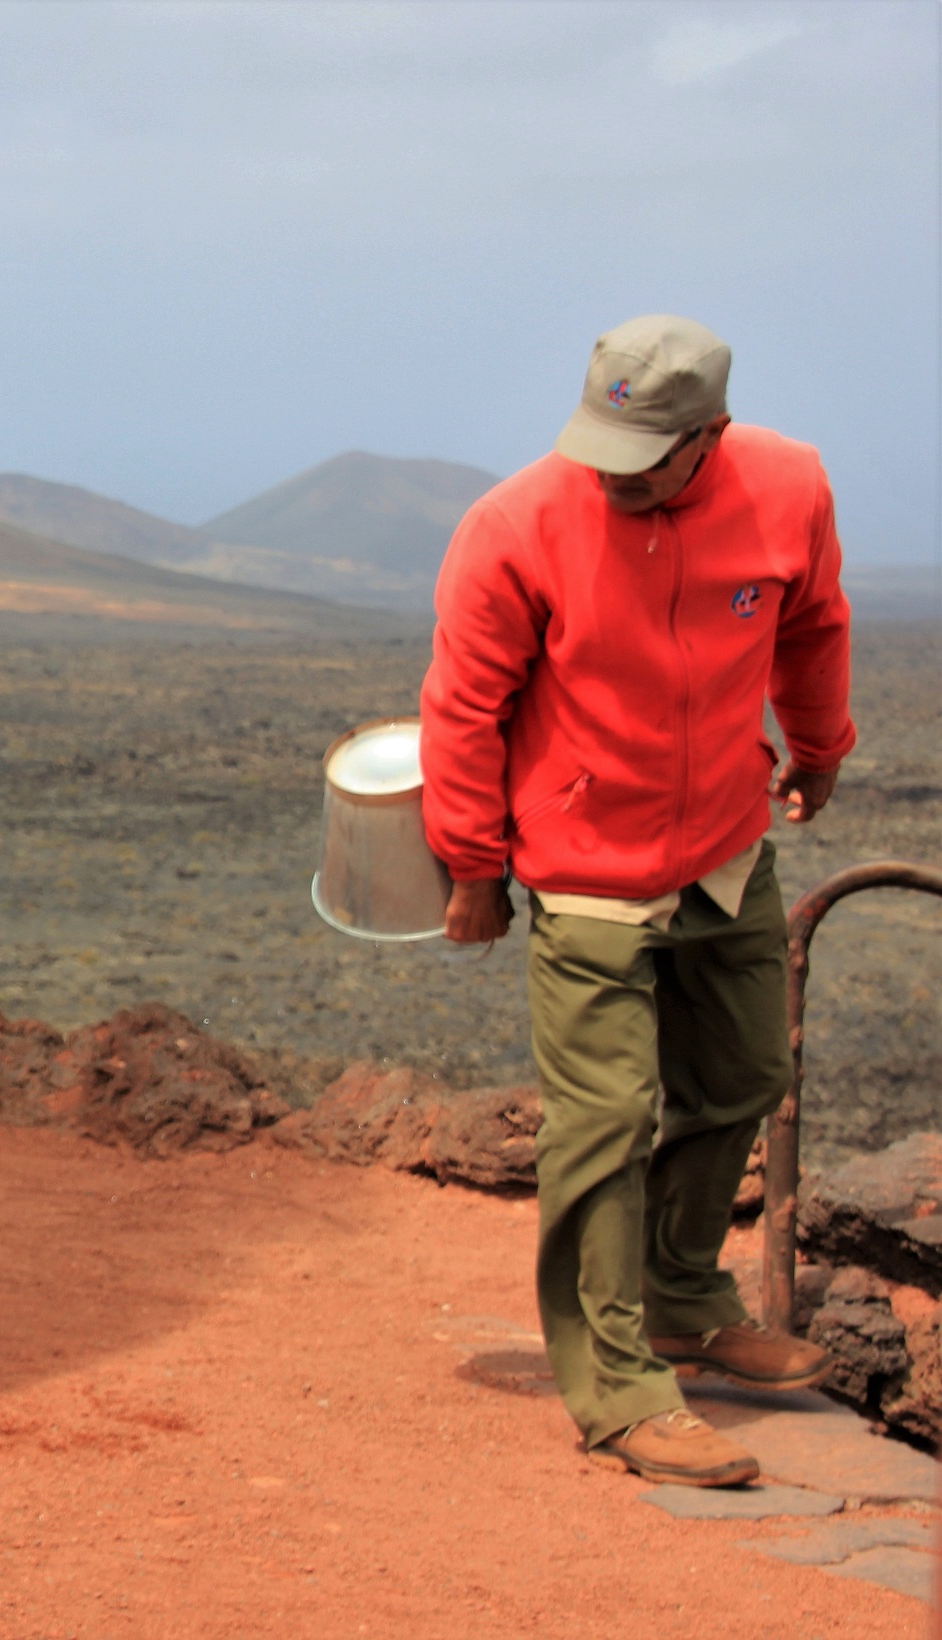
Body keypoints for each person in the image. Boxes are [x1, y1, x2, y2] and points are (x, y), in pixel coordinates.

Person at [420, 315, 849, 1489]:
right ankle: (616, 1386)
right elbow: (463, 703)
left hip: (724, 842)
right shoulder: (514, 523)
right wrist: (472, 864)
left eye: (648, 453)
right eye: (604, 442)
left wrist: (818, 749)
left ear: (710, 433)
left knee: (745, 1074)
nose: (617, 472)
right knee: (603, 1121)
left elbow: (813, 630)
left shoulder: (789, 485)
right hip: (585, 863)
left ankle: (679, 1293)